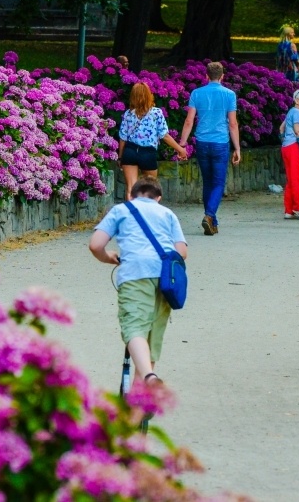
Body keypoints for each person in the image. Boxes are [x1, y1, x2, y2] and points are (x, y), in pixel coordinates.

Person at [89, 176, 188, 387]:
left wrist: (109, 258)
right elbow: (181, 252)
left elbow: (96, 245)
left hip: (134, 274)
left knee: (135, 328)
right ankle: (140, 401)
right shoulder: (168, 214)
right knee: (151, 338)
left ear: (130, 195)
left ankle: (150, 378)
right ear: (158, 198)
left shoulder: (121, 210)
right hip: (164, 279)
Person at [179, 62, 242, 236]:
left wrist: (182, 143)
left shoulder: (196, 93)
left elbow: (189, 121)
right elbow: (233, 123)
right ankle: (209, 215)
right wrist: (237, 148)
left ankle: (212, 221)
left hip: (202, 142)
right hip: (220, 143)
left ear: (206, 76)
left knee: (207, 182)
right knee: (219, 183)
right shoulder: (229, 95)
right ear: (223, 76)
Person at [118, 83, 188, 200]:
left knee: (131, 188)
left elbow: (123, 138)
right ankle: (149, 215)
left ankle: (132, 216)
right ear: (148, 95)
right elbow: (164, 136)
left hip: (130, 151)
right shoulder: (156, 113)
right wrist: (180, 149)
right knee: (151, 189)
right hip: (148, 153)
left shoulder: (128, 114)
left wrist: (120, 157)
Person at [278, 89, 299, 221]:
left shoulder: (291, 112)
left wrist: (285, 140)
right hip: (294, 147)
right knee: (297, 178)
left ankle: (289, 210)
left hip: (287, 147)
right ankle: (298, 208)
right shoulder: (297, 113)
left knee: (291, 179)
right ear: (296, 101)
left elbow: (281, 129)